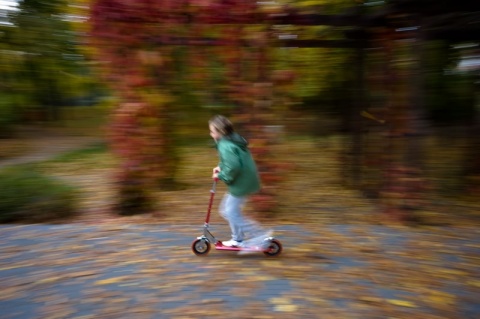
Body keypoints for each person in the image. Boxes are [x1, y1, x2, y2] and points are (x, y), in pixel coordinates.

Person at [209, 115, 271, 247]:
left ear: (221, 132)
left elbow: (233, 166)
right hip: (245, 180)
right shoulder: (231, 141)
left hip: (242, 182)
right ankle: (238, 239)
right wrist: (220, 167)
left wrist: (221, 176)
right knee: (227, 211)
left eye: (212, 131)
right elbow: (230, 160)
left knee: (230, 211)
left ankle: (259, 234)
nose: (211, 134)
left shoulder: (225, 145)